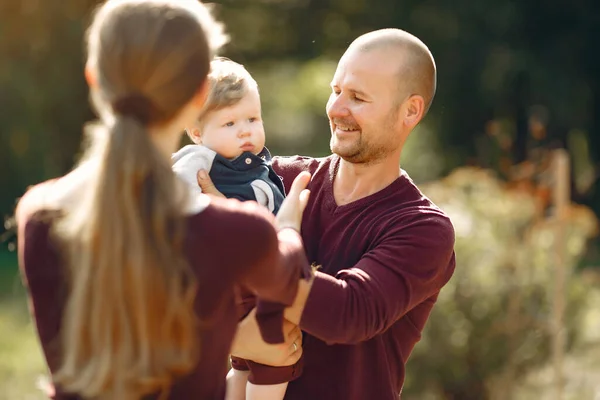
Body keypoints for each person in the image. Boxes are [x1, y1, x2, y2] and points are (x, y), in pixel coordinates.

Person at [15, 1, 311, 399]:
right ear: (200, 94)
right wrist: (288, 227)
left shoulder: (41, 215)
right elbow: (292, 283)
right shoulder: (238, 231)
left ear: (95, 80)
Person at [198, 28, 457, 400]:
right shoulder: (274, 180)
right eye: (336, 91)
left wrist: (246, 240)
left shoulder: (422, 228)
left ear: (410, 111)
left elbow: (348, 313)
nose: (336, 109)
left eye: (358, 97)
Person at [172, 58, 301, 400]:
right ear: (198, 133)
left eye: (252, 119)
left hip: (257, 286)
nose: (245, 130)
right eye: (229, 123)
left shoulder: (262, 167)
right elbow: (173, 202)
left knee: (243, 369)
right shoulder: (201, 162)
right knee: (273, 367)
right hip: (240, 290)